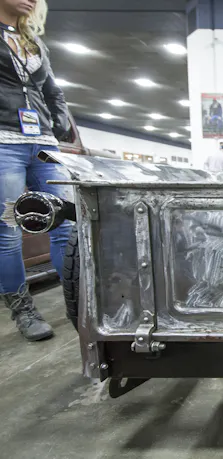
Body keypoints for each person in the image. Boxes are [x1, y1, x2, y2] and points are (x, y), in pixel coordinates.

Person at [0, 0, 72, 341]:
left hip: (43, 142)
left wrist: (60, 119)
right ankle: (23, 309)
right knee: (8, 230)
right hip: (3, 142)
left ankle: (77, 299)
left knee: (66, 224)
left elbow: (51, 88)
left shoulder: (33, 42)